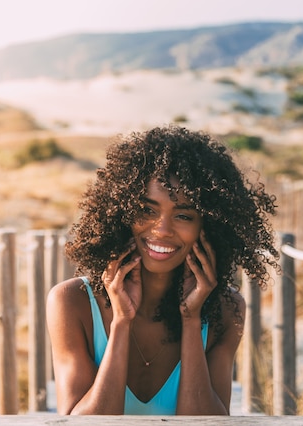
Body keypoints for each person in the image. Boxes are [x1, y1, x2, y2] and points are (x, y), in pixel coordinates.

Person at [46, 125, 278, 415]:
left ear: (208, 227)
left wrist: (192, 320)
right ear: (122, 213)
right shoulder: (72, 302)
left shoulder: (226, 310)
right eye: (147, 210)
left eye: (183, 215)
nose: (162, 230)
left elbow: (207, 425)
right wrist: (120, 322)